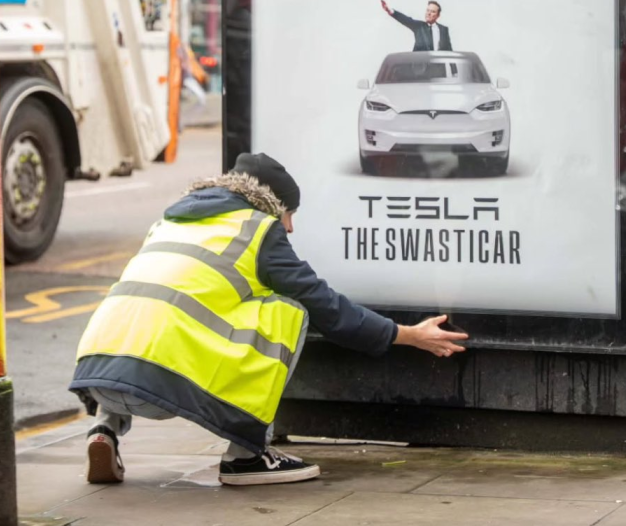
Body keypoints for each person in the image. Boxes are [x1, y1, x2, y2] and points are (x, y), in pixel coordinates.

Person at [68, 153, 468, 487]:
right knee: (289, 311)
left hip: (99, 374)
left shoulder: (170, 221)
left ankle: (103, 432)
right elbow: (326, 306)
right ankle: (246, 456)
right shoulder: (258, 228)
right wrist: (406, 334)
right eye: (289, 213)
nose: (290, 226)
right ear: (271, 204)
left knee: (146, 313)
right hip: (164, 384)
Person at [381, 0, 453, 51]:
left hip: (439, 69)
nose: (428, 13)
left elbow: (449, 50)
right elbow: (405, 19)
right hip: (421, 68)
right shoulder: (419, 26)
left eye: (432, 11)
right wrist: (389, 11)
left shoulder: (444, 29)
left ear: (438, 15)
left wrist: (454, 70)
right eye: (427, 10)